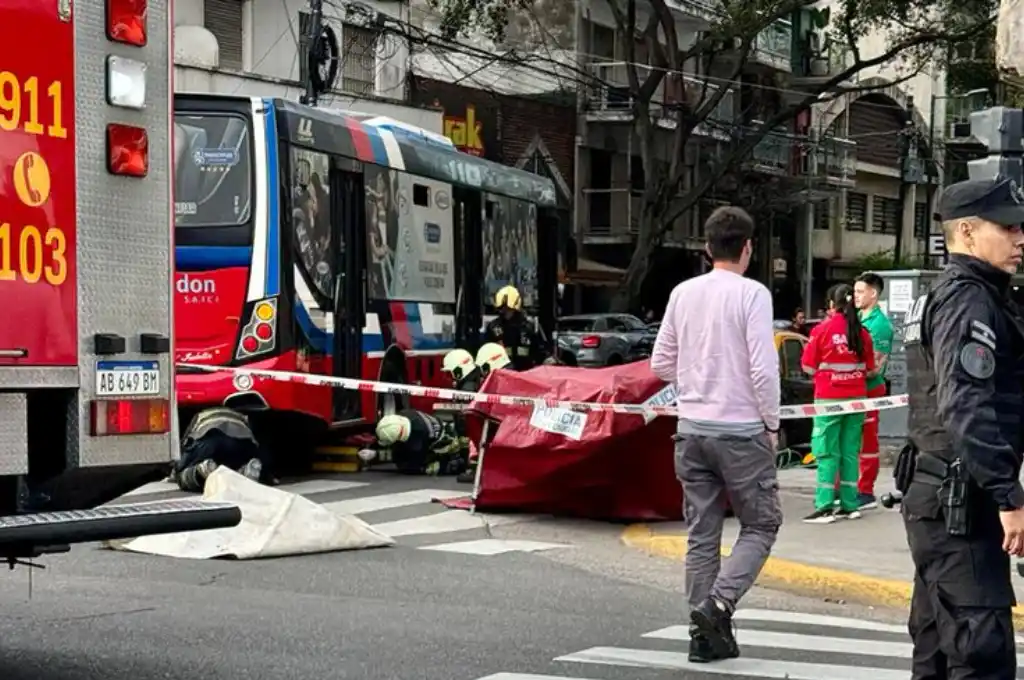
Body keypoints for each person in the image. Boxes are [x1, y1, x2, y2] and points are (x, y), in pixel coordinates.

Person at [901, 176, 1024, 679]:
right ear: (968, 233)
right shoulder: (968, 299)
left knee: (937, 651)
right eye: (1009, 227)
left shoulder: (950, 294)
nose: (1020, 239)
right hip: (962, 505)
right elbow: (966, 405)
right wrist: (1008, 496)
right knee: (981, 656)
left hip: (937, 497)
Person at [650, 205, 781, 663]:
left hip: (692, 430)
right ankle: (717, 604)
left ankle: (701, 637)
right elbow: (765, 370)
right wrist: (771, 423)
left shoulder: (683, 293)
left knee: (701, 533)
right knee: (762, 523)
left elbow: (660, 363)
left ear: (707, 248)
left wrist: (694, 378)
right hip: (742, 429)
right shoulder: (753, 295)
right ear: (747, 248)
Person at [800, 284, 876, 524]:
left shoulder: (821, 330)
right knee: (850, 452)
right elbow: (871, 368)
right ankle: (849, 504)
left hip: (829, 399)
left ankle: (824, 505)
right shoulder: (861, 332)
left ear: (832, 305)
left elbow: (808, 366)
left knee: (826, 451)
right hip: (856, 400)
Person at [852, 272, 895, 510]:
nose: (855, 296)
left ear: (873, 293)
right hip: (853, 388)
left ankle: (865, 490)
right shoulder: (857, 318)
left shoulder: (880, 326)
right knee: (851, 441)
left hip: (870, 389)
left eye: (860, 292)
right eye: (855, 291)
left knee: (867, 441)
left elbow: (875, 366)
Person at [174, 407, 270, 492]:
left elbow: (186, 444)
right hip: (240, 440)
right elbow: (258, 445)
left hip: (209, 440)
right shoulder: (242, 416)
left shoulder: (198, 416)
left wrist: (178, 468)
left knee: (181, 476)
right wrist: (267, 475)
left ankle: (203, 470)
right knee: (232, 464)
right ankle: (243, 472)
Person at [375, 410, 468, 476]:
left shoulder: (417, 438)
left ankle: (458, 464)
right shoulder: (405, 414)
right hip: (442, 428)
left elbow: (408, 461)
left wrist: (377, 455)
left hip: (444, 444)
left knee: (424, 469)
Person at [485, 285, 547, 371]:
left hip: (524, 374)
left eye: (508, 309)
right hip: (502, 375)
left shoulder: (528, 328)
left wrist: (548, 359)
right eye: (502, 308)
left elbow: (540, 352)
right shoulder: (493, 328)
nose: (504, 311)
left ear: (516, 309)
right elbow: (485, 355)